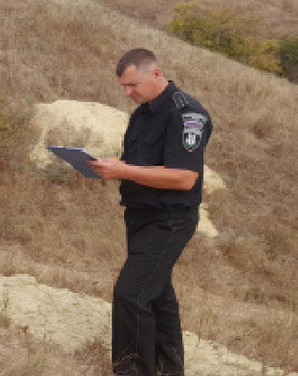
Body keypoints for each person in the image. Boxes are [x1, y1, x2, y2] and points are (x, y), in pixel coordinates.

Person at [89, 48, 212, 376]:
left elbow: (184, 178)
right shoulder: (142, 114)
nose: (128, 93)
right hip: (140, 215)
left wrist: (123, 171)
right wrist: (110, 167)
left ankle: (133, 370)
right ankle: (169, 367)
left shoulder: (186, 114)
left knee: (132, 293)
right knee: (158, 294)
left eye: (132, 85)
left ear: (156, 74)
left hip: (169, 219)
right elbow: (140, 164)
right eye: (123, 88)